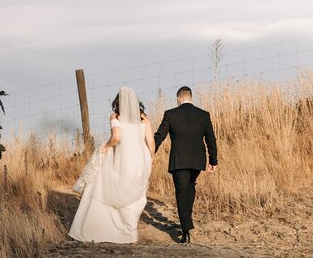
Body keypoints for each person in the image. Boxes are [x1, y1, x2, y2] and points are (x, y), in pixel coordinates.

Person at [69, 87, 154, 244]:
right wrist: (150, 160)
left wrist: (106, 147)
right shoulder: (144, 119)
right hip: (142, 160)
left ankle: (104, 229)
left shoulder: (116, 116)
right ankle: (128, 233)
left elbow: (116, 137)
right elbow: (151, 142)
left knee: (113, 187)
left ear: (118, 102)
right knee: (134, 194)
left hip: (124, 158)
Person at [153, 86, 217, 244]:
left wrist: (150, 152)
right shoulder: (203, 115)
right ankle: (186, 228)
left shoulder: (171, 114)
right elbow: (211, 139)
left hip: (179, 161)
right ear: (191, 97)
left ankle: (188, 228)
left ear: (178, 99)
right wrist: (213, 160)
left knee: (181, 193)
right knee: (190, 187)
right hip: (197, 161)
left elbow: (159, 136)